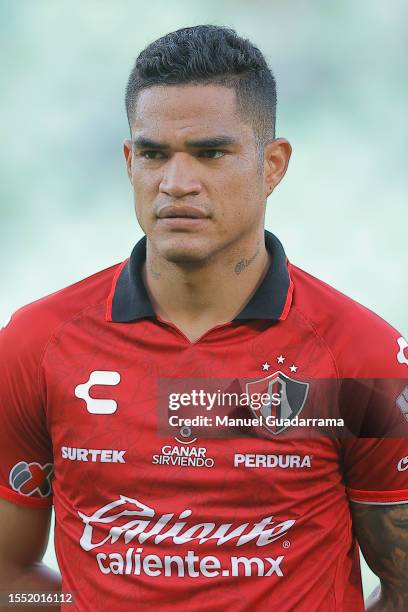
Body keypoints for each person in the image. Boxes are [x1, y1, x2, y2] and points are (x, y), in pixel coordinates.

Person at [0, 24, 407, 612]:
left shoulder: (363, 357)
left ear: (273, 164)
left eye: (211, 153)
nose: (176, 183)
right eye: (153, 154)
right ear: (128, 162)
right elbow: (9, 571)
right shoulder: (36, 344)